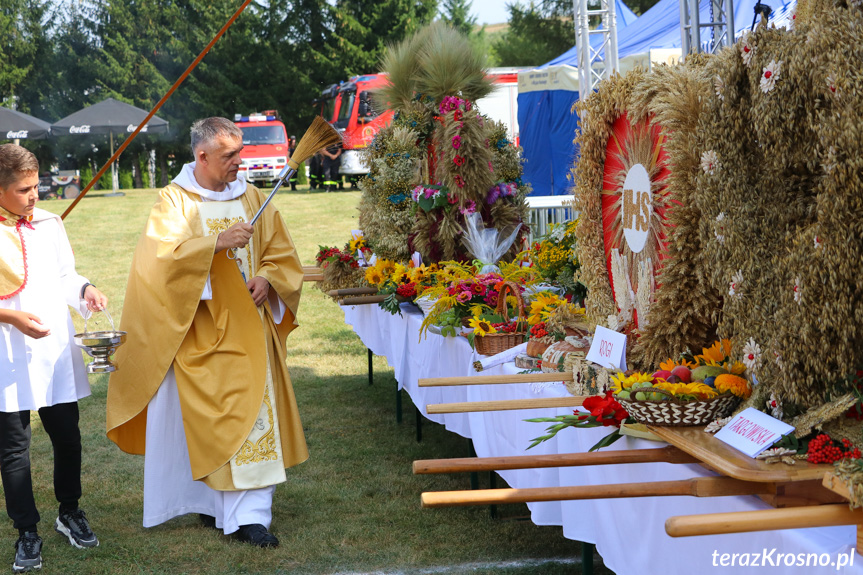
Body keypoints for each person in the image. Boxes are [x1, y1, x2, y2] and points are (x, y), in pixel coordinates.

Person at [106, 117, 308, 548]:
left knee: (252, 416)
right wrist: (216, 244)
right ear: (201, 157)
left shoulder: (253, 195)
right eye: (229, 156)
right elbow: (159, 261)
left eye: (240, 152)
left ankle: (251, 517)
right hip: (198, 330)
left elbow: (280, 251)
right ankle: (212, 505)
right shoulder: (175, 202)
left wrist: (268, 278)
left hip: (249, 331)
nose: (240, 163)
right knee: (207, 424)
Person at [0, 144, 107, 573]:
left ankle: (70, 511)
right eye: (24, 190)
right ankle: (26, 530)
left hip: (54, 348)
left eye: (36, 186)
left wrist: (85, 291)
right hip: (6, 352)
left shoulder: (49, 223)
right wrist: (10, 316)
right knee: (14, 449)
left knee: (67, 435)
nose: (34, 197)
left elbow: (66, 274)